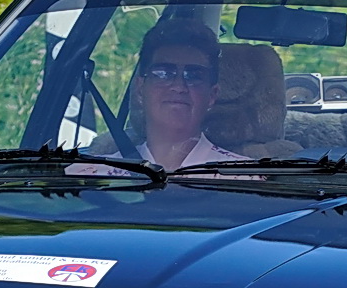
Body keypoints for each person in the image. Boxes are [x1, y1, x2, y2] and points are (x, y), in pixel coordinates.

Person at [75, 19, 246, 173]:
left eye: (193, 76)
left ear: (212, 95)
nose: (179, 87)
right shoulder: (92, 177)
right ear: (140, 89)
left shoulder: (244, 177)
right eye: (163, 73)